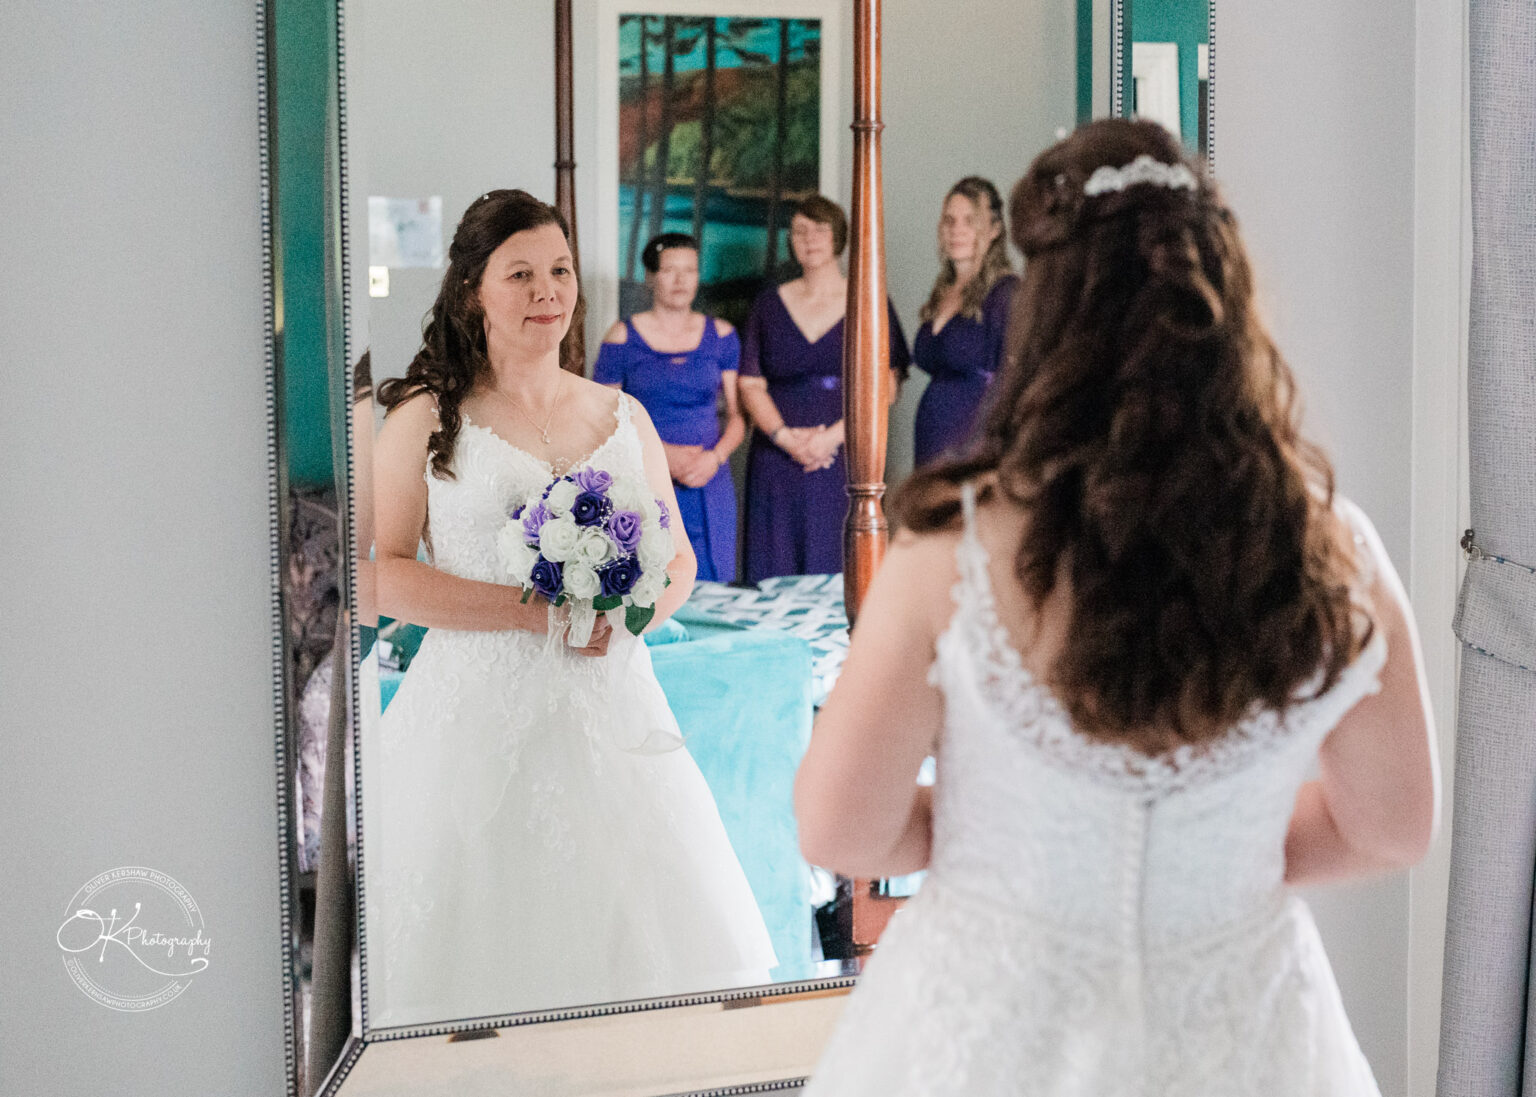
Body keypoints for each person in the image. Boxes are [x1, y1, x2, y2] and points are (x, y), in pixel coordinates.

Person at [794, 120, 1438, 1095]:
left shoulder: (951, 552)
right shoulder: (1331, 546)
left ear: (1047, 309)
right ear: (1224, 300)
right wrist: (1224, 851)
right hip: (1244, 1031)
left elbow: (841, 830)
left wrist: (994, 831)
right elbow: (1392, 827)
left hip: (992, 1029)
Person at [367, 190, 775, 1027]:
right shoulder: (425, 414)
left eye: (559, 270)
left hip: (610, 710)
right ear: (473, 289)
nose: (547, 290)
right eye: (521, 274)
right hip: (472, 721)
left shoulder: (620, 414)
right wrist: (530, 612)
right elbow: (383, 577)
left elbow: (681, 563)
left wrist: (624, 618)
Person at [738, 195, 910, 582]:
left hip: (844, 460)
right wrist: (787, 439)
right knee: (772, 573)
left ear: (839, 237)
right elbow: (750, 382)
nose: (809, 239)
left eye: (819, 229)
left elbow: (887, 388)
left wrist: (830, 439)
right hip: (776, 459)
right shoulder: (768, 305)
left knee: (840, 571)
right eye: (799, 231)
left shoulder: (869, 300)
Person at [595, 232, 744, 582]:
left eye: (689, 270)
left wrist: (715, 458)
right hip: (646, 479)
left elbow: (738, 417)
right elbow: (602, 419)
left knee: (714, 587)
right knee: (653, 583)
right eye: (669, 270)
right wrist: (661, 456)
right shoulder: (621, 336)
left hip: (709, 479)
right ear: (650, 277)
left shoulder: (722, 335)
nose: (680, 280)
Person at [911, 176, 1019, 466]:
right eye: (950, 221)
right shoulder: (943, 292)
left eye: (970, 221)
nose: (957, 230)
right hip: (931, 440)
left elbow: (1016, 380)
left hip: (973, 441)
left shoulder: (1005, 293)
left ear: (994, 229)